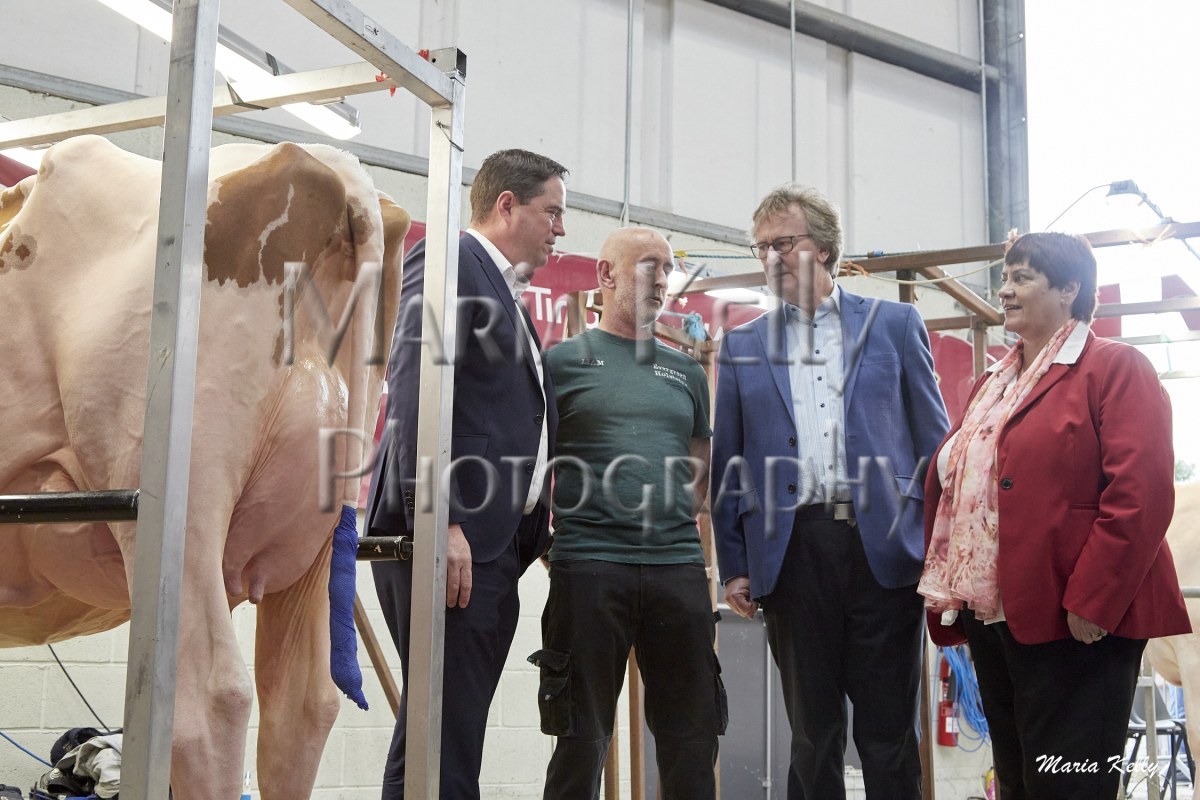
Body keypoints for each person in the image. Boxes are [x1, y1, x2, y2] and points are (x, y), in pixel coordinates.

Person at [918, 231, 1191, 800]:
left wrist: (1094, 600)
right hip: (996, 613)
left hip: (1076, 617)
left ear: (1070, 289)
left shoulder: (1115, 367)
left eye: (1022, 277)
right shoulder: (994, 384)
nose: (1005, 290)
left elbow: (1139, 495)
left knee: (1070, 782)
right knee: (1018, 779)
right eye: (1005, 277)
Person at [710, 184, 949, 800]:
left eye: (783, 243)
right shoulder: (742, 345)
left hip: (885, 550)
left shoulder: (895, 325)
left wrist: (939, 550)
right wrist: (735, 564)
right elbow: (729, 462)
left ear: (824, 247)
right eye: (761, 247)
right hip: (793, 552)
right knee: (812, 734)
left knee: (889, 734)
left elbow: (937, 448)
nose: (770, 257)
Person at [365, 148, 568, 799]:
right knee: (444, 734)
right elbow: (414, 389)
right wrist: (441, 518)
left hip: (493, 543)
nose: (561, 229)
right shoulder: (450, 263)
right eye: (552, 212)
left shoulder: (502, 289)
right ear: (507, 204)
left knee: (441, 731)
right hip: (451, 537)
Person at [532, 227, 726, 800]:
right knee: (580, 740)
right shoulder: (560, 364)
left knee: (692, 742)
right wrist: (554, 543)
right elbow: (532, 466)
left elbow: (698, 472)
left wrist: (668, 519)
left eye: (667, 269)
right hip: (589, 568)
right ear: (606, 274)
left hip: (676, 569)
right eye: (648, 266)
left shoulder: (687, 373)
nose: (662, 281)